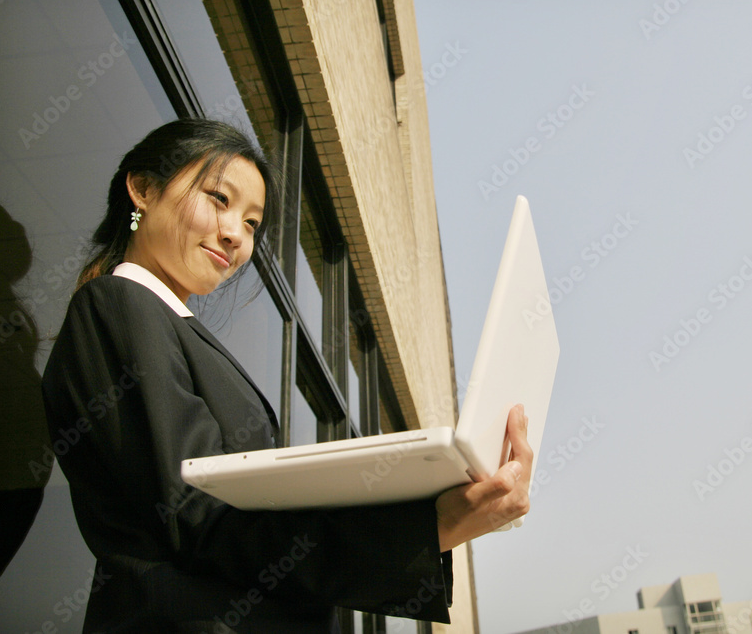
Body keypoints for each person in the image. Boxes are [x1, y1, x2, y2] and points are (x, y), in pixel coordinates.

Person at [40, 118, 532, 633]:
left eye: (252, 224)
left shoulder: (168, 327)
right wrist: (432, 526)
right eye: (218, 198)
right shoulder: (120, 303)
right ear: (143, 189)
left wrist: (435, 507)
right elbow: (203, 518)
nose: (234, 234)